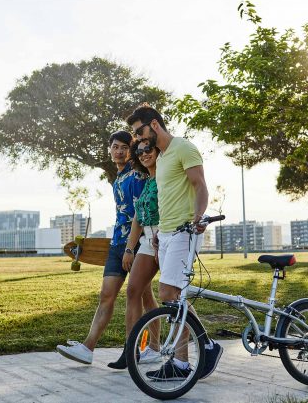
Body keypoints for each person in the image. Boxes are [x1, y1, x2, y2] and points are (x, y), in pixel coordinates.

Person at [126, 104, 223, 380]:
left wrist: (198, 217)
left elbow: (200, 185)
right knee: (174, 297)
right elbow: (167, 198)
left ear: (154, 125)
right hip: (166, 234)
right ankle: (193, 355)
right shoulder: (164, 157)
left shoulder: (182, 148)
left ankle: (197, 351)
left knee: (169, 295)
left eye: (140, 133)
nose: (139, 141)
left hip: (185, 231)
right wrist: (158, 234)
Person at [57, 130, 152, 366]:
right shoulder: (118, 179)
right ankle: (88, 348)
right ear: (109, 150)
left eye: (124, 147)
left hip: (137, 244)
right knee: (107, 295)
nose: (119, 151)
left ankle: (138, 350)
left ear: (131, 151)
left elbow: (141, 215)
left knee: (141, 295)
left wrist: (132, 247)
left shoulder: (138, 177)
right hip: (117, 243)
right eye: (115, 147)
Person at [108, 138, 161, 369]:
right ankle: (132, 351)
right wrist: (129, 248)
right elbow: (140, 216)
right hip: (143, 240)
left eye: (148, 149)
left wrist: (160, 240)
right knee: (135, 293)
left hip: (163, 238)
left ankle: (204, 343)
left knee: (171, 294)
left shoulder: (151, 178)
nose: (143, 154)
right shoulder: (146, 179)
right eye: (139, 151)